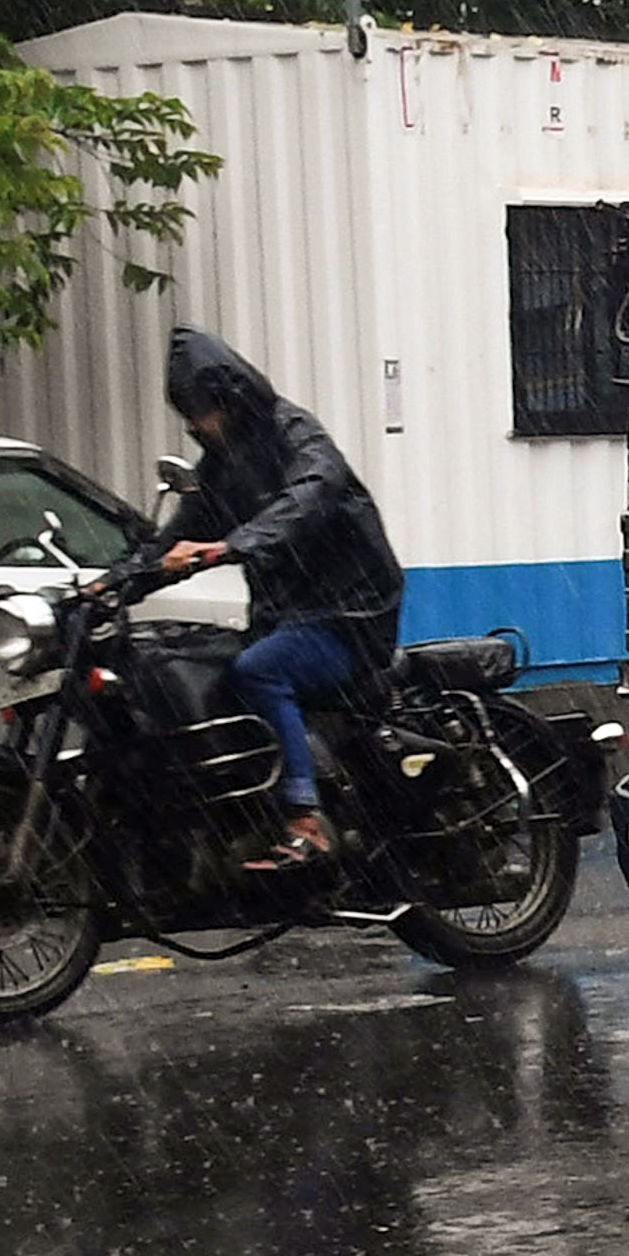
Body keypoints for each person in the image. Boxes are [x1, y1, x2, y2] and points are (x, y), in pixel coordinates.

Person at [152, 329, 404, 872]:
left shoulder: (296, 435)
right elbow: (177, 535)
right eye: (188, 413)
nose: (194, 425)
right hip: (285, 615)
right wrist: (111, 583)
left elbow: (309, 496)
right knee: (203, 671)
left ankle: (304, 820)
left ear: (228, 398)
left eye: (199, 410)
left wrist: (229, 545)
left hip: (349, 614)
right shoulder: (222, 465)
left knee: (258, 672)